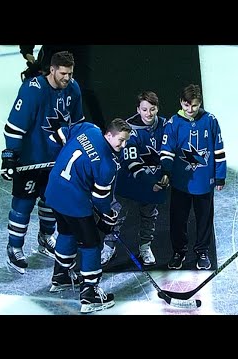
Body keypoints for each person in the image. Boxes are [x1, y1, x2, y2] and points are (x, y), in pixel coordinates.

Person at [2, 51, 84, 274]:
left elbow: (77, 124)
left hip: (56, 161)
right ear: (53, 70)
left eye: (70, 73)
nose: (67, 78)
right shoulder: (32, 90)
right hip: (31, 161)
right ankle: (14, 248)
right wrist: (10, 156)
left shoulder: (73, 89)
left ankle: (46, 237)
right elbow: (14, 126)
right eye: (64, 73)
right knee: (23, 205)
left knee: (51, 202)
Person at [45, 118, 132, 314]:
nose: (123, 145)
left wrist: (58, 160)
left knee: (66, 231)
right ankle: (90, 293)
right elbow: (100, 200)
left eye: (126, 141)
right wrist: (108, 216)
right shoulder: (108, 165)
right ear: (108, 135)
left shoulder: (89, 128)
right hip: (74, 202)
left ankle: (61, 276)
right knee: (91, 243)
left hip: (54, 190)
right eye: (121, 140)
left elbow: (56, 137)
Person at [160, 84, 226, 270]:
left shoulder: (211, 120)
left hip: (205, 182)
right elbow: (167, 150)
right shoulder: (173, 123)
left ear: (200, 103)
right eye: (186, 105)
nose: (190, 110)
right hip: (181, 182)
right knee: (178, 219)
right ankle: (178, 252)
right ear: (181, 103)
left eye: (194, 106)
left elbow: (219, 149)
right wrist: (166, 171)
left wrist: (220, 176)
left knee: (204, 218)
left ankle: (203, 251)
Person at [101, 91, 169, 267]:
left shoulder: (165, 125)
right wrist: (149, 181)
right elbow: (131, 161)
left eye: (152, 109)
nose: (148, 113)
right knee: (117, 214)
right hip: (130, 181)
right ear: (138, 109)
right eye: (144, 109)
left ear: (157, 109)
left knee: (149, 215)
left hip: (154, 181)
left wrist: (167, 173)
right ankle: (109, 246)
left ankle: (145, 246)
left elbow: (171, 151)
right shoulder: (128, 129)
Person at [19, 45, 105, 130]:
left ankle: (101, 131)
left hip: (77, 52)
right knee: (44, 86)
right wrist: (27, 52)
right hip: (52, 53)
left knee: (84, 89)